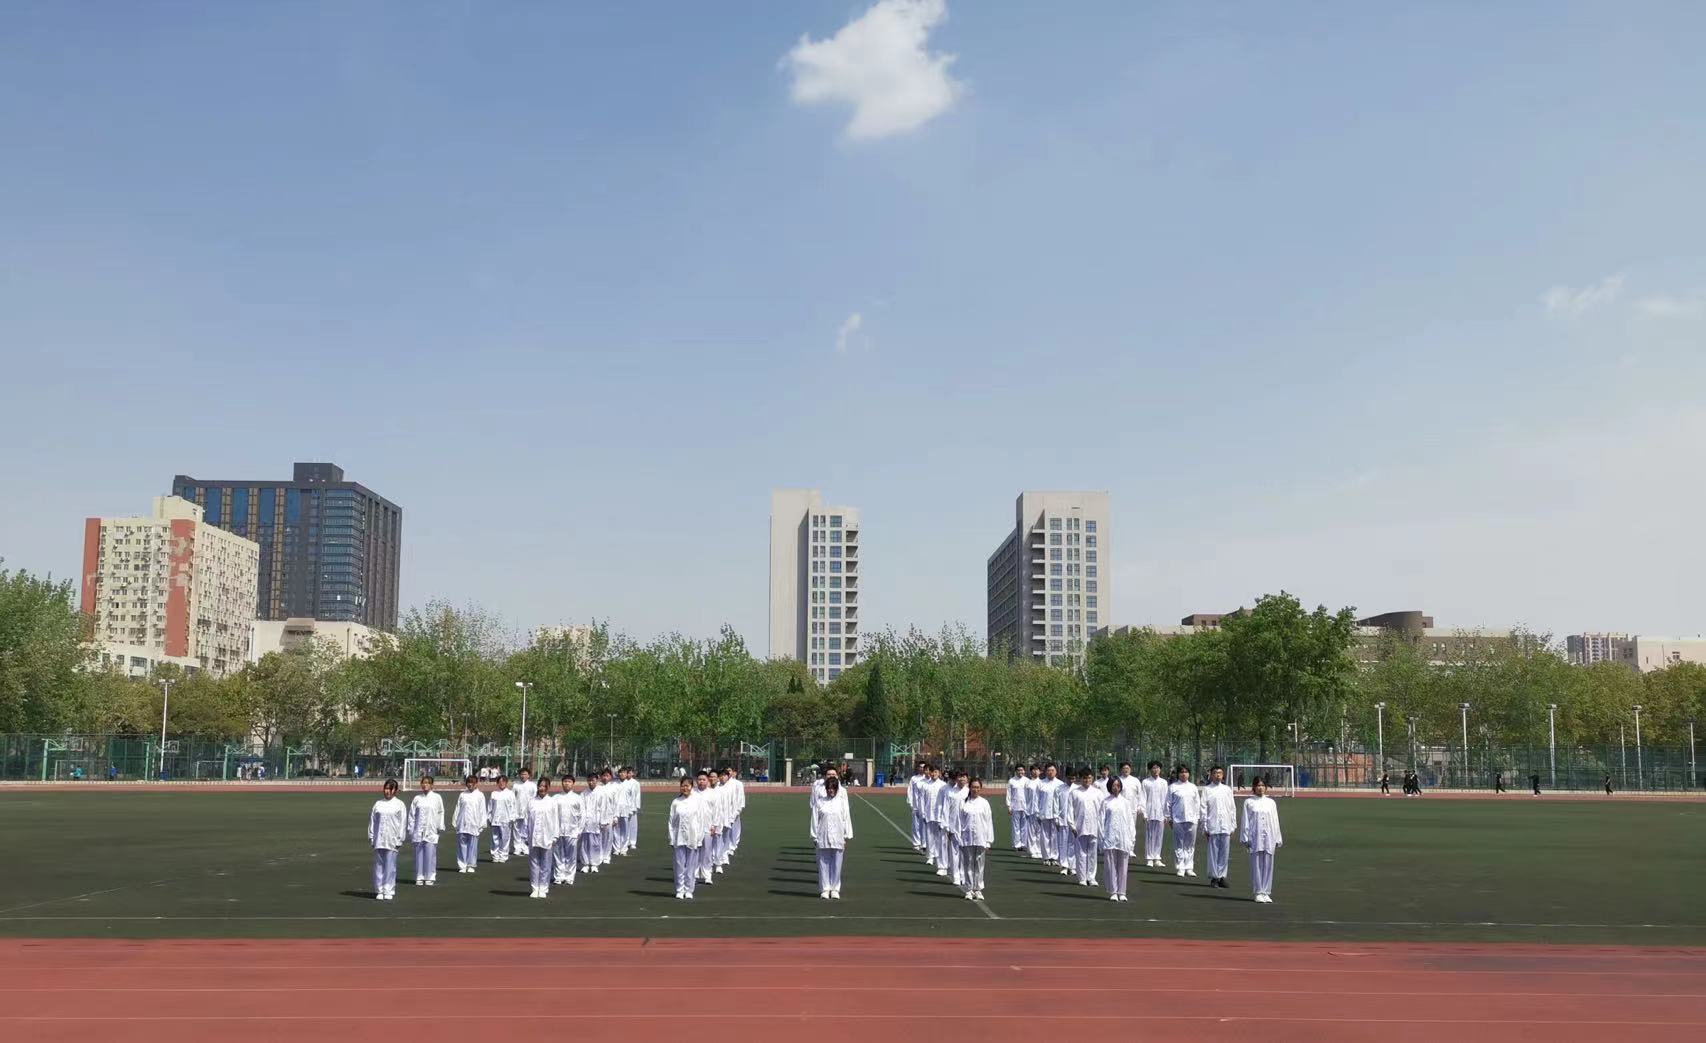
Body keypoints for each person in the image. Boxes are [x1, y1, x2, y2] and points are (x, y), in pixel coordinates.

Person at [1240, 776, 1283, 903]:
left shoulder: (1271, 803)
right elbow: (1245, 821)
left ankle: (1266, 891)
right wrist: (1245, 837)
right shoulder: (1249, 802)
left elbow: (1275, 820)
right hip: (1255, 836)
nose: (1261, 788)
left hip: (1269, 836)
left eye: (1263, 785)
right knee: (1257, 864)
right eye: (1258, 785)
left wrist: (1278, 837)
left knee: (1268, 864)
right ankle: (1258, 891)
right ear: (1254, 787)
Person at [812, 774, 853, 899]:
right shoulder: (820, 802)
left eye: (833, 788)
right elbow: (814, 820)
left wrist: (846, 835)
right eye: (829, 788)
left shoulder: (841, 803)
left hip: (838, 836)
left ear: (836, 789)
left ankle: (835, 888)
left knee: (837, 864)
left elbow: (846, 818)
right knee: (823, 863)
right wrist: (814, 836)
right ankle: (825, 889)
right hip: (823, 836)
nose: (831, 790)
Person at [367, 778, 407, 901]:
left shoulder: (400, 804)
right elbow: (373, 821)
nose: (387, 791)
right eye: (386, 788)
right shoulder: (378, 804)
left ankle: (389, 889)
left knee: (390, 866)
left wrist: (400, 838)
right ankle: (379, 890)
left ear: (395, 790)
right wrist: (371, 836)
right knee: (379, 865)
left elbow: (403, 823)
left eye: (390, 789)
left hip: (392, 839)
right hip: (379, 839)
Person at [667, 777, 706, 900]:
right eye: (683, 785)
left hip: (693, 837)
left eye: (687, 785)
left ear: (691, 787)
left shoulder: (697, 801)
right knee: (679, 865)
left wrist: (699, 838)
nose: (685, 788)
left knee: (691, 865)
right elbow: (671, 822)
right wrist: (671, 838)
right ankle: (679, 889)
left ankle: (689, 889)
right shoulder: (676, 802)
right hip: (678, 837)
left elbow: (701, 821)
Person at [1100, 776, 1136, 902]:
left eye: (1118, 785)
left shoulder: (1125, 802)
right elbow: (1101, 821)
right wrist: (1102, 837)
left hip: (1123, 837)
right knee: (1110, 865)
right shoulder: (1105, 802)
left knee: (1123, 866)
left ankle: (1122, 891)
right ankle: (1113, 891)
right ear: (1110, 787)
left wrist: (1132, 838)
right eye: (1114, 785)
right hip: (1109, 836)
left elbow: (1130, 821)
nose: (1116, 788)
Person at [1200, 766, 1236, 889]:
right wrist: (1204, 825)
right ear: (1211, 775)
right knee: (1213, 852)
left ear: (1223, 774)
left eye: (1220, 773)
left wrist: (1233, 824)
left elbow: (1232, 808)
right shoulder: (1207, 790)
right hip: (1213, 825)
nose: (1217, 775)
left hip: (1225, 824)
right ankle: (1214, 877)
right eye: (1215, 773)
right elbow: (1203, 808)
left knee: (1224, 853)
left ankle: (1221, 876)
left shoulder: (1227, 789)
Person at [959, 777, 994, 900]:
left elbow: (989, 822)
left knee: (979, 864)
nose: (975, 789)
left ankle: (978, 889)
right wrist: (960, 837)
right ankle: (969, 889)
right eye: (973, 787)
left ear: (980, 788)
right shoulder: (964, 803)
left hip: (981, 837)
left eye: (977, 787)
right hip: (967, 837)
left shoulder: (984, 803)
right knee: (968, 863)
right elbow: (960, 822)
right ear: (969, 788)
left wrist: (989, 841)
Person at [524, 776, 559, 899]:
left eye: (544, 786)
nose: (542, 788)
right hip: (533, 837)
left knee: (546, 864)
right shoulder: (531, 802)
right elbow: (526, 820)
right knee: (534, 864)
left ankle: (543, 888)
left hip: (547, 837)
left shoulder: (552, 802)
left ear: (548, 787)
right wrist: (525, 835)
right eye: (540, 786)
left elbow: (556, 820)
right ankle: (535, 888)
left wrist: (555, 836)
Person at [407, 775, 445, 886]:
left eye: (427, 783)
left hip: (431, 829)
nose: (425, 785)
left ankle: (430, 876)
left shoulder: (437, 797)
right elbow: (412, 815)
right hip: (418, 830)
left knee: (430, 854)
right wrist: (411, 828)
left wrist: (439, 826)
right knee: (418, 854)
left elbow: (440, 812)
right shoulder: (417, 798)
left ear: (432, 785)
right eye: (423, 782)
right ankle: (419, 876)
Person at [1166, 765, 1201, 878]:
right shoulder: (1172, 787)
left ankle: (1189, 867)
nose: (1184, 774)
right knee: (1179, 844)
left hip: (1192, 819)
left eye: (1186, 772)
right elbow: (1168, 804)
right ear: (1178, 774)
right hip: (1178, 819)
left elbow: (1197, 803)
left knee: (1190, 845)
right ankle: (1180, 867)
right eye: (1181, 772)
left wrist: (1198, 817)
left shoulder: (1193, 787)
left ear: (1189, 774)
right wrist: (1169, 817)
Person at [1069, 768, 1103, 886]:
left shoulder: (1098, 793)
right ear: (1080, 779)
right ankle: (1082, 877)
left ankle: (1091, 877)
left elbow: (1102, 812)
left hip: (1094, 826)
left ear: (1092, 778)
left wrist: (1101, 827)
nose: (1087, 780)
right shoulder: (1075, 792)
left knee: (1092, 853)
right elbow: (1070, 810)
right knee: (1081, 853)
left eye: (1089, 778)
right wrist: (1072, 825)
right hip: (1079, 826)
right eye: (1084, 778)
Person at [452, 774, 489, 874]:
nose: (470, 784)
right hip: (462, 822)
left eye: (472, 782)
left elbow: (482, 810)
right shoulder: (462, 795)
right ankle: (462, 865)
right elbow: (458, 808)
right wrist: (455, 821)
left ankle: (471, 865)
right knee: (462, 844)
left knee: (472, 845)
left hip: (474, 823)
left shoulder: (480, 795)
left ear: (476, 783)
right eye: (468, 782)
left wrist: (482, 824)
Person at [553, 773, 583, 887]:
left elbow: (582, 815)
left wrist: (579, 830)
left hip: (572, 830)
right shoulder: (556, 798)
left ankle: (569, 877)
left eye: (569, 782)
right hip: (558, 830)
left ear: (573, 784)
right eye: (565, 781)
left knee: (571, 855)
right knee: (558, 854)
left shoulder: (577, 798)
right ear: (562, 783)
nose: (567, 784)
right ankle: (559, 876)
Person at [1139, 762, 1169, 868]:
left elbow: (1166, 799)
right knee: (1150, 835)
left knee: (1159, 835)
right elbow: (1143, 798)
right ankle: (1149, 858)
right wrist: (1144, 813)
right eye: (1153, 768)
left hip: (1160, 812)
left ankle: (1157, 857)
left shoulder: (1164, 782)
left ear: (1160, 769)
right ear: (1150, 770)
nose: (1156, 770)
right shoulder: (1146, 782)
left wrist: (1166, 814)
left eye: (1157, 768)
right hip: (1150, 812)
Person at [579, 772, 606, 873]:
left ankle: (594, 864)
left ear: (597, 780)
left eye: (593, 780)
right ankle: (585, 863)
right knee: (585, 843)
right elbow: (581, 809)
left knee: (595, 843)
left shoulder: (601, 793)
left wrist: (603, 821)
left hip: (596, 821)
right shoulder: (583, 794)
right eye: (589, 780)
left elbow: (603, 808)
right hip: (585, 822)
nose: (591, 782)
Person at [487, 774, 517, 863]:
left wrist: (512, 818)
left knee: (505, 838)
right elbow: (490, 807)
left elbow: (514, 806)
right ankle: (495, 855)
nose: (501, 783)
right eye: (499, 782)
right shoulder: (494, 793)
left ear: (506, 782)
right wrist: (489, 817)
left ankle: (503, 855)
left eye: (503, 781)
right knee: (495, 838)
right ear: (497, 783)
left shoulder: (510, 793)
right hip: (495, 819)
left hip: (506, 819)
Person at [511, 769, 536, 857]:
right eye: (521, 774)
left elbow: (535, 798)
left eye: (525, 774)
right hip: (517, 810)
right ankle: (517, 847)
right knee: (517, 830)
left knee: (527, 829)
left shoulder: (532, 785)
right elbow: (512, 798)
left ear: (528, 775)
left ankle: (525, 847)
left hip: (528, 811)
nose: (523, 776)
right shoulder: (516, 785)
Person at [907, 761, 929, 851]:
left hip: (925, 807)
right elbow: (910, 790)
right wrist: (910, 802)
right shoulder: (914, 779)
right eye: (920, 767)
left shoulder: (928, 779)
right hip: (916, 805)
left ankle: (924, 843)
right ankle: (916, 843)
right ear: (918, 768)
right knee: (916, 825)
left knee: (924, 826)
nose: (922, 769)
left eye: (924, 767)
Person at [1006, 764, 1029, 852]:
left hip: (1025, 807)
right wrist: (1009, 806)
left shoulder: (1027, 781)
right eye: (1018, 770)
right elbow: (1009, 794)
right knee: (1015, 827)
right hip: (1015, 806)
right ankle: (1016, 845)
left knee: (1024, 826)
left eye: (1022, 770)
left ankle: (1024, 844)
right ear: (1016, 771)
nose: (1020, 772)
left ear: (1024, 771)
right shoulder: (1011, 781)